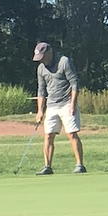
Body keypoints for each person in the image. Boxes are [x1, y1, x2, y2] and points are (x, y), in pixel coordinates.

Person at [33, 41, 86, 174]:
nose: (41, 61)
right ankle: (47, 167)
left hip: (67, 103)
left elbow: (74, 83)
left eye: (42, 57)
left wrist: (73, 104)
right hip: (51, 105)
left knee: (71, 134)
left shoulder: (64, 62)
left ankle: (80, 165)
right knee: (48, 135)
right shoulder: (41, 68)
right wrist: (40, 111)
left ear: (49, 52)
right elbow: (41, 90)